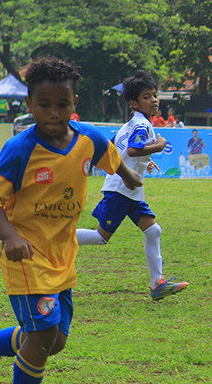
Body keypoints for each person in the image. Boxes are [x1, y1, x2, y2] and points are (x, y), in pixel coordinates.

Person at [0, 56, 143, 384]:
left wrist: (128, 174)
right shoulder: (20, 149)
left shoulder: (88, 137)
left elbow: (110, 155)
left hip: (63, 254)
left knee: (55, 341)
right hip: (27, 256)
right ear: (29, 105)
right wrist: (10, 236)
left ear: (74, 103)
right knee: (42, 334)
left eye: (62, 104)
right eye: (45, 105)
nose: (54, 113)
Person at [75, 70, 188, 300]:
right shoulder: (141, 126)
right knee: (101, 237)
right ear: (134, 103)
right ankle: (55, 237)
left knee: (153, 230)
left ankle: (158, 284)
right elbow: (133, 150)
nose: (154, 100)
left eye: (155, 95)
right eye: (147, 96)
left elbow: (122, 152)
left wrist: (145, 162)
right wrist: (157, 147)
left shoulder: (131, 125)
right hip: (121, 189)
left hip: (130, 189)